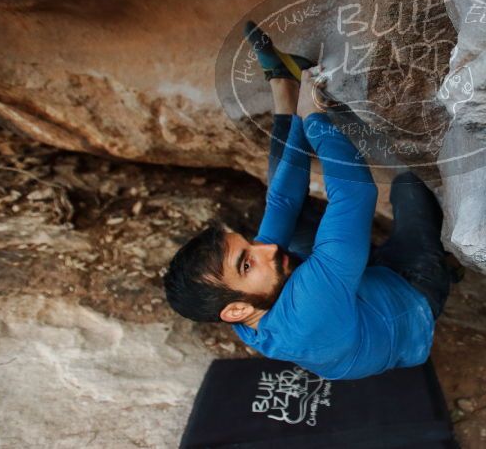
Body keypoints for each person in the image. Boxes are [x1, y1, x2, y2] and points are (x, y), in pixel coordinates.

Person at [163, 25, 453, 380]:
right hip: (410, 291)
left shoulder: (244, 301)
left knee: (291, 212)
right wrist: (315, 117)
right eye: (247, 265)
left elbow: (283, 200)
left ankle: (283, 91)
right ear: (236, 310)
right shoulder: (309, 311)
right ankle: (447, 263)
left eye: (249, 247)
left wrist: (296, 113)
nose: (267, 249)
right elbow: (355, 193)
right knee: (409, 184)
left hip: (354, 289)